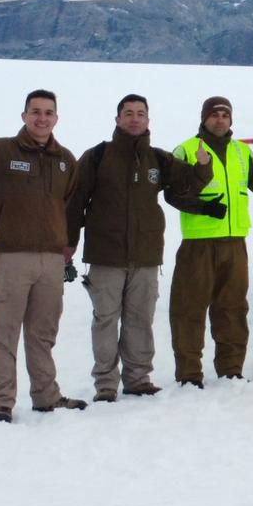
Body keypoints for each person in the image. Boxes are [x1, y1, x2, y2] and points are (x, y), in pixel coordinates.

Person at [0, 72, 86, 423]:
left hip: (51, 262)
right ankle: (2, 401)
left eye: (48, 112)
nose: (41, 118)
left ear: (56, 117)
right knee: (5, 332)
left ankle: (46, 396)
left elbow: (70, 208)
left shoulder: (66, 160)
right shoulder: (0, 152)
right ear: (24, 116)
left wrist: (68, 246)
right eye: (35, 111)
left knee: (43, 334)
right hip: (11, 259)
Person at [65, 94, 213, 402]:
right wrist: (68, 242)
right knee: (105, 319)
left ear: (148, 120)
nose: (135, 118)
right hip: (106, 256)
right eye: (128, 113)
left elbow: (186, 184)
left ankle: (138, 378)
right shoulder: (97, 156)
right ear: (117, 119)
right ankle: (106, 383)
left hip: (145, 257)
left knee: (139, 320)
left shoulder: (158, 159)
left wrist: (202, 166)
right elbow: (75, 201)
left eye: (140, 113)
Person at [165, 96, 253, 387]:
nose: (220, 119)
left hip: (235, 244)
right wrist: (204, 208)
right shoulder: (186, 150)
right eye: (214, 114)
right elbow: (173, 193)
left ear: (231, 120)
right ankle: (188, 374)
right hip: (199, 243)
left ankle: (231, 368)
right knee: (189, 309)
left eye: (225, 114)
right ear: (204, 118)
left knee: (233, 308)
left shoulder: (241, 152)